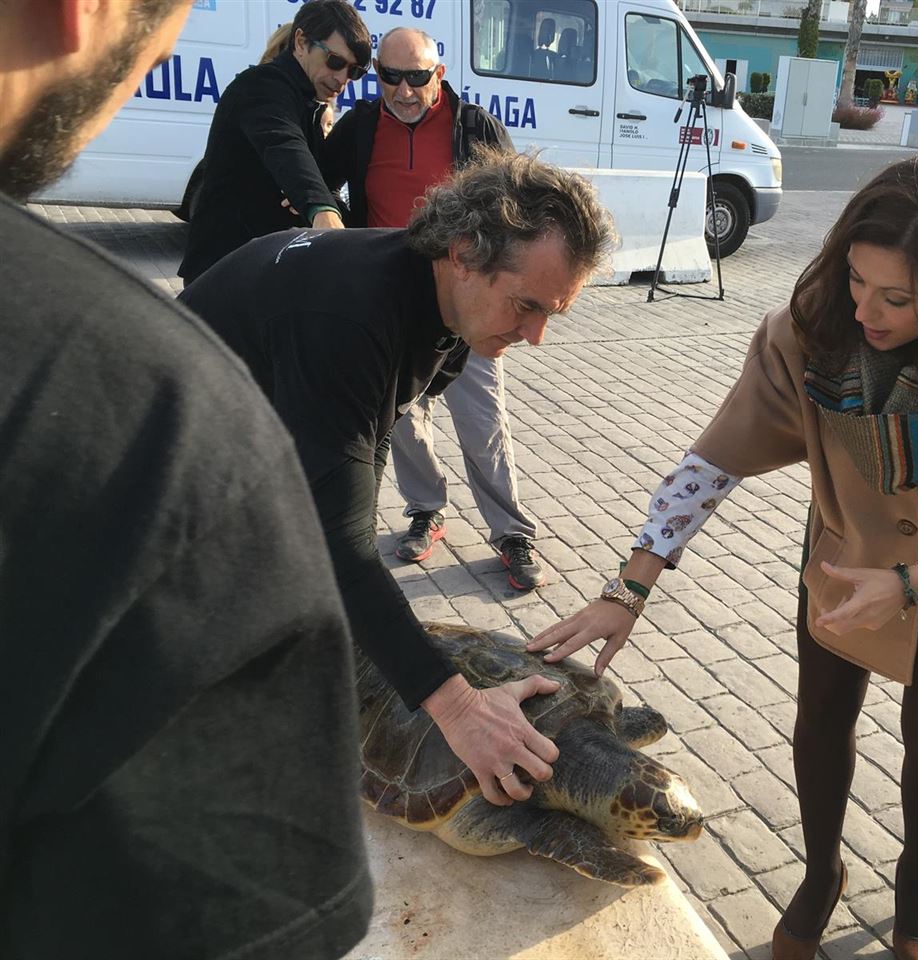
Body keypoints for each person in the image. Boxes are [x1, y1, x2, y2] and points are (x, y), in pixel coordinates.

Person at [530, 153, 918, 960]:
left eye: (897, 297)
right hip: (842, 556)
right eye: (859, 278)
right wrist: (630, 584)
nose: (867, 309)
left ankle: (916, 874)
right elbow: (713, 462)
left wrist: (917, 580)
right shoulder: (812, 326)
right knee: (821, 718)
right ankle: (821, 872)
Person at [0, 1, 374, 956]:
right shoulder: (149, 424)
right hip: (229, 285)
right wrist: (333, 222)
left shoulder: (321, 99)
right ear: (80, 13)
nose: (341, 81)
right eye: (335, 64)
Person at [179, 150, 615, 807]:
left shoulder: (444, 305)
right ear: (464, 251)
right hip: (147, 469)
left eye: (553, 313)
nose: (537, 337)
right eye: (526, 306)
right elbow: (344, 549)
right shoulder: (353, 316)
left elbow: (367, 442)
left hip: (242, 439)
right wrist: (459, 708)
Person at [323, 27, 546, 589]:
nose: (403, 90)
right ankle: (426, 509)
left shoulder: (475, 128)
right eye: (390, 77)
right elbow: (318, 180)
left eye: (417, 77)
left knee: (481, 417)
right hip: (391, 292)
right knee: (400, 416)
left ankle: (511, 532)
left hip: (468, 296)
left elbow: (516, 206)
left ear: (438, 75)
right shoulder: (360, 127)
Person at [178, 0, 370, 283]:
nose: (342, 79)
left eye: (354, 71)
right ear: (301, 42)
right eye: (336, 61)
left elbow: (315, 172)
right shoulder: (261, 87)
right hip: (221, 273)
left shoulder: (308, 103)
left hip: (259, 272)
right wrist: (321, 210)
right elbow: (285, 146)